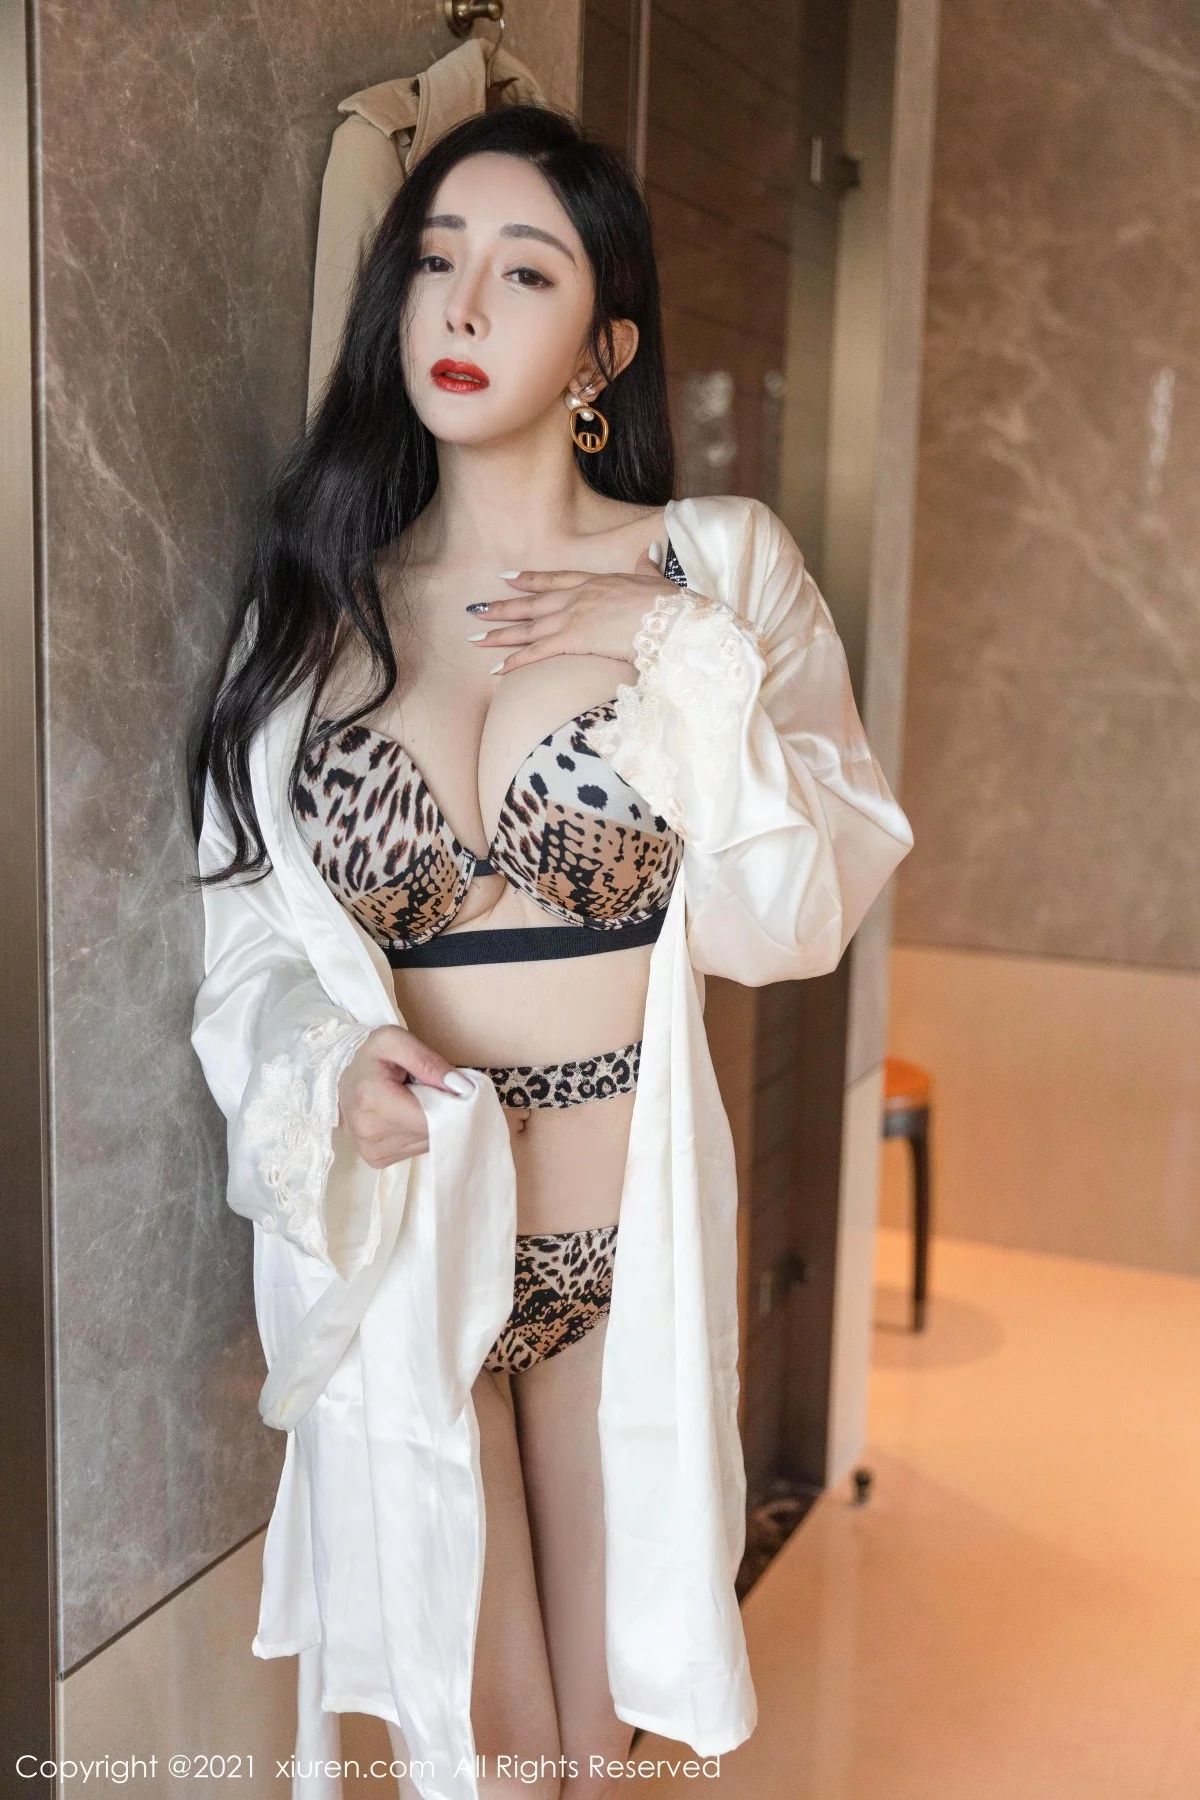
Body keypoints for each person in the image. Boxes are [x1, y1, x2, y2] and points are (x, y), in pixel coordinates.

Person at [188, 105, 912, 1800]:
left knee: (608, 1747)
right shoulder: (315, 609)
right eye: (435, 262)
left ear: (604, 348)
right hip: (414, 1243)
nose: (462, 305)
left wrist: (680, 646)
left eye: (525, 273)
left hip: (618, 1255)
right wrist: (327, 1068)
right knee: (486, 1754)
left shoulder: (712, 562)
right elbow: (245, 936)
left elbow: (801, 908)